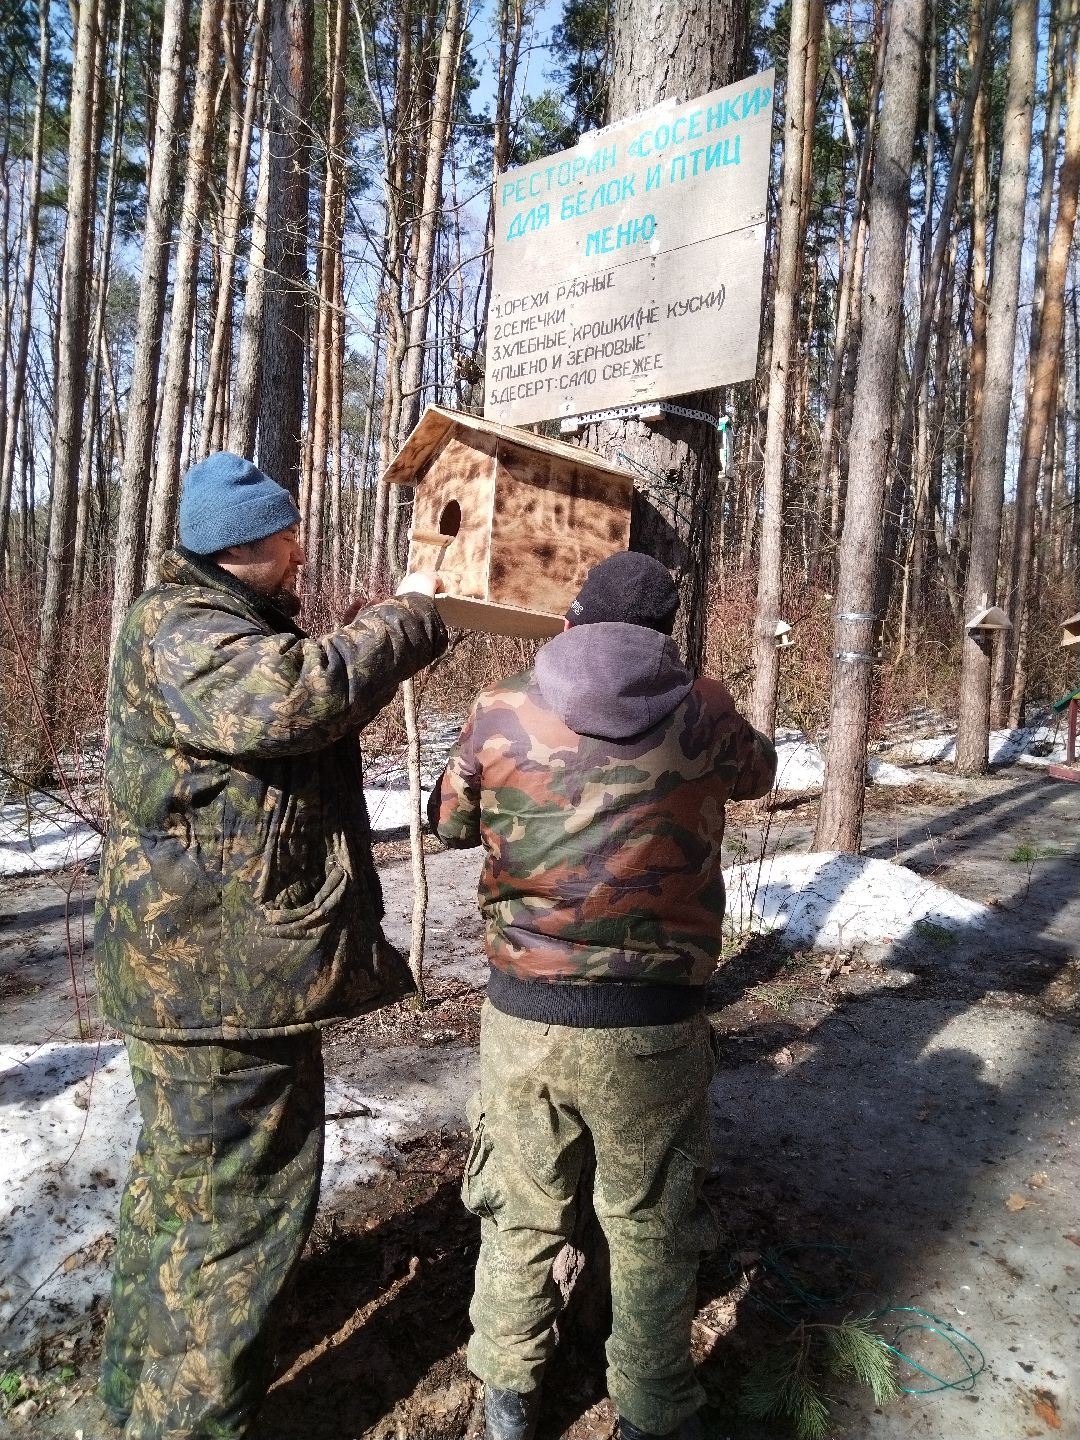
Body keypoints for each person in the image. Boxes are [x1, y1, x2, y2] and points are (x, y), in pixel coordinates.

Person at [95, 451, 447, 1439]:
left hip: (214, 980)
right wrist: (414, 615)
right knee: (228, 1219)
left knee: (185, 1202)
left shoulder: (210, 623)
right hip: (215, 989)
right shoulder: (185, 634)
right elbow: (298, 696)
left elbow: (303, 695)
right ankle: (185, 1421)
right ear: (247, 544)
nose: (304, 550)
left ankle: (139, 1401)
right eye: (290, 534)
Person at [430, 551, 777, 1440]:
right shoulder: (702, 707)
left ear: (572, 620)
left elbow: (447, 822)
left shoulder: (502, 707)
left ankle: (507, 1403)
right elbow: (760, 772)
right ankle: (655, 1413)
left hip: (525, 1016)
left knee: (517, 1216)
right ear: (665, 628)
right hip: (652, 1028)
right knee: (654, 1229)